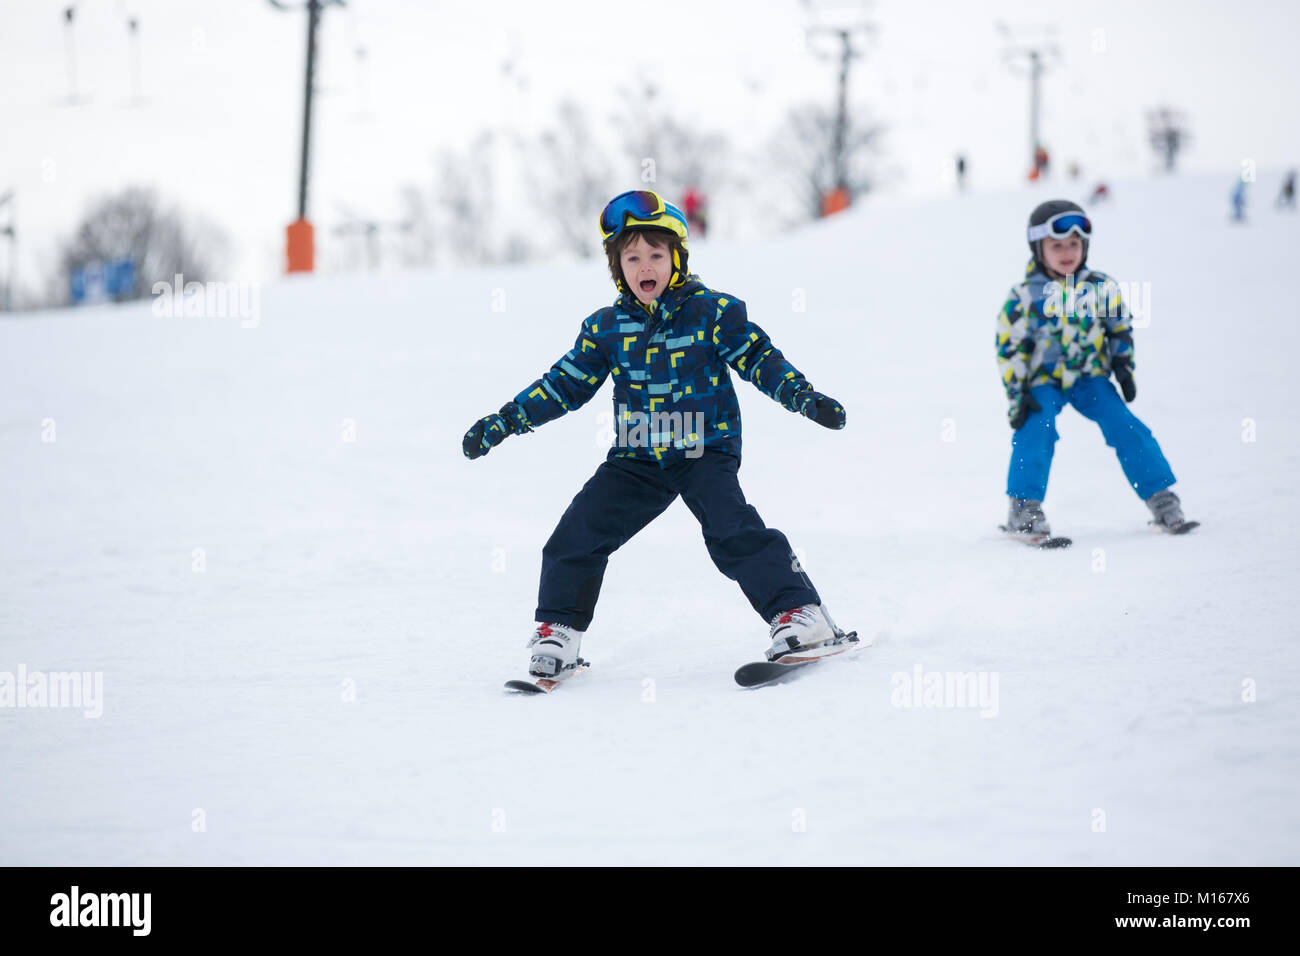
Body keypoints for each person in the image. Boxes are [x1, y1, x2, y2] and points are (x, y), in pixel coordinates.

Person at [462, 190, 850, 683]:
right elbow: (563, 385)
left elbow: (759, 359)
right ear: (617, 267)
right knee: (575, 536)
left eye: (656, 255)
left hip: (703, 447)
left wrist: (803, 397)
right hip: (638, 456)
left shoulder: (713, 313)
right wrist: (504, 421)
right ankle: (558, 632)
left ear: (677, 259)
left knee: (731, 529)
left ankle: (803, 616)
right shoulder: (607, 328)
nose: (644, 265)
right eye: (631, 257)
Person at [995, 199, 1196, 538]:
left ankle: (1161, 498)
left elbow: (1118, 327)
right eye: (1056, 245)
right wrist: (1018, 396)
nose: (1067, 252)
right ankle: (1023, 508)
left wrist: (1123, 366)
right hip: (1043, 381)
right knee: (1037, 427)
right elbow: (1009, 346)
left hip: (1090, 377)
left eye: (1074, 244)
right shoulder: (1024, 296)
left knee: (1125, 425)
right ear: (1038, 248)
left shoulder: (1100, 287)